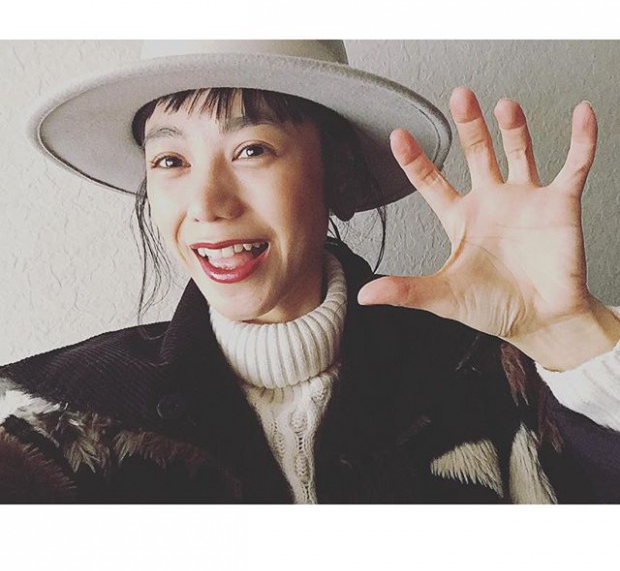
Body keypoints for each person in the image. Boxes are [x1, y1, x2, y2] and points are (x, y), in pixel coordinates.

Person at [1, 40, 619, 503]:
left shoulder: (498, 377)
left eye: (252, 150)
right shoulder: (43, 420)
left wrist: (569, 335)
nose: (207, 204)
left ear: (339, 173)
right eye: (170, 160)